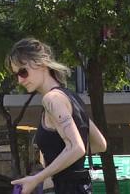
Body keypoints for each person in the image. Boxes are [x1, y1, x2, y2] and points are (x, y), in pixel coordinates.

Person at [6, 38, 107, 194]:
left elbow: (77, 148)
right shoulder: (71, 97)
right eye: (16, 75)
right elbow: (100, 144)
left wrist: (37, 178)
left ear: (41, 63)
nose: (20, 80)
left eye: (23, 71)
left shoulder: (52, 100)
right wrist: (60, 158)